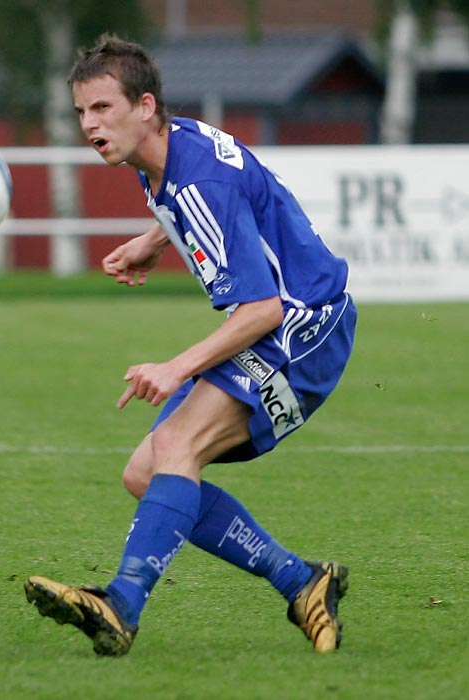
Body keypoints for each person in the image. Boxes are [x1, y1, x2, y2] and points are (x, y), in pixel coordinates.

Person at [25, 34, 357, 656]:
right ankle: (301, 581)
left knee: (176, 444)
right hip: (290, 318)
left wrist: (176, 367)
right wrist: (155, 238)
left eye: (102, 108)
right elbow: (217, 189)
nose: (89, 124)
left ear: (145, 105)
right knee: (145, 472)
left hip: (305, 327)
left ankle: (121, 603)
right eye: (81, 113)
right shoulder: (174, 148)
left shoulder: (195, 184)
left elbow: (259, 308)